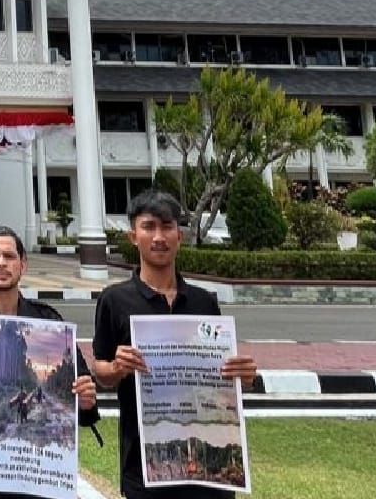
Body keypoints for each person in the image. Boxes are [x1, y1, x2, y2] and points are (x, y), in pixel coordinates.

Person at [92, 189, 258, 499]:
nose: (159, 236)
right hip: (146, 464)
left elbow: (220, 374)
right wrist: (116, 367)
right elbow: (99, 369)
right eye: (149, 226)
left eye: (167, 227)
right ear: (133, 236)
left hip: (210, 471)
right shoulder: (114, 301)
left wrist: (243, 376)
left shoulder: (204, 302)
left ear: (179, 236)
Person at [0, 225, 100, 499]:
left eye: (9, 256)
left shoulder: (49, 322)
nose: (1, 263)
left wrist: (87, 398)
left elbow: (82, 396)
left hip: (44, 476)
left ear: (23, 264)